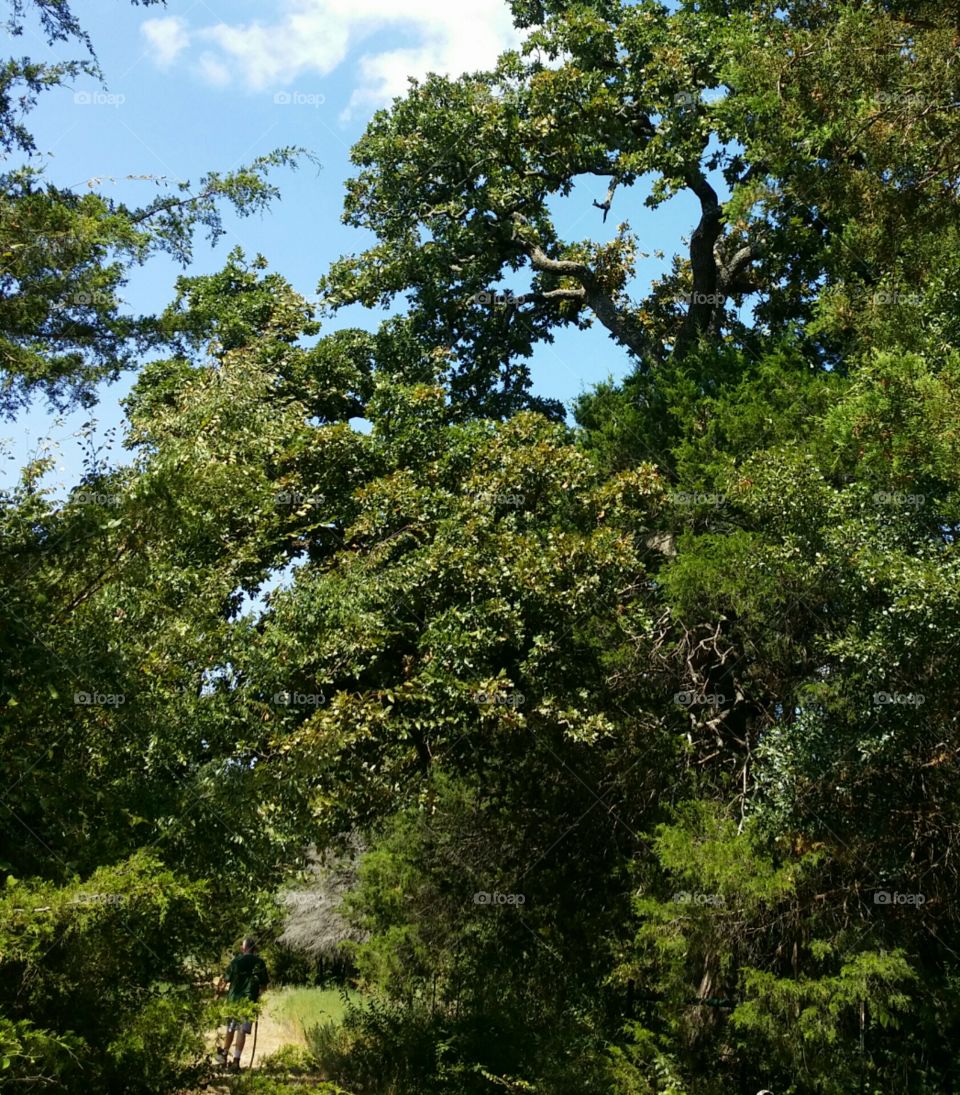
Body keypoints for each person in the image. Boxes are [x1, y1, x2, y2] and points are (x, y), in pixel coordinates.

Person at [215, 936, 269, 1071]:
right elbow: (264, 986)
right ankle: (236, 1062)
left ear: (243, 948)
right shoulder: (260, 963)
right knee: (241, 1031)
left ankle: (224, 1054)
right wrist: (258, 996)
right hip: (249, 1001)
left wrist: (217, 993)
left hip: (233, 1001)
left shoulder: (235, 961)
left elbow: (224, 981)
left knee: (230, 1028)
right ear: (254, 949)